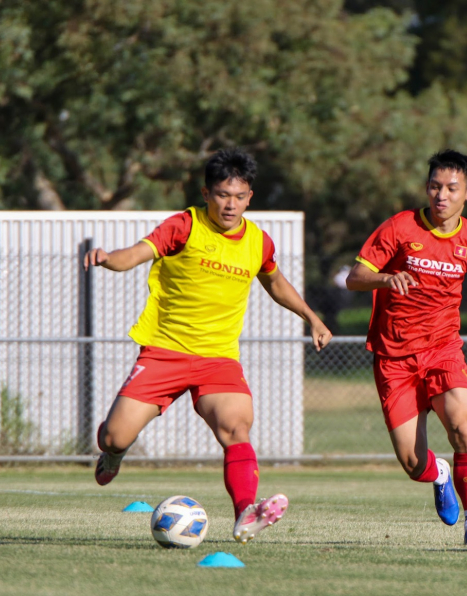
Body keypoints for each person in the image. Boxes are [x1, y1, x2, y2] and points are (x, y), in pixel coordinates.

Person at [84, 148, 332, 544]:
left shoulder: (258, 242)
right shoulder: (184, 226)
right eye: (222, 195)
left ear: (250, 196)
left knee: (236, 427)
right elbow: (137, 252)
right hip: (165, 350)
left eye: (239, 196)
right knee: (114, 436)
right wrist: (108, 258)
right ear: (206, 193)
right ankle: (113, 454)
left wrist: (313, 318)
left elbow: (277, 283)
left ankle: (245, 514)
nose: (230, 205)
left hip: (218, 359)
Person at [346, 149, 467, 545]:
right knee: (412, 462)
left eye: (452, 188)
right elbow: (355, 277)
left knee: (462, 426)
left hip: (443, 351)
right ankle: (439, 475)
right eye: (435, 186)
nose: (441, 195)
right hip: (394, 358)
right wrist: (385, 280)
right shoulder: (400, 227)